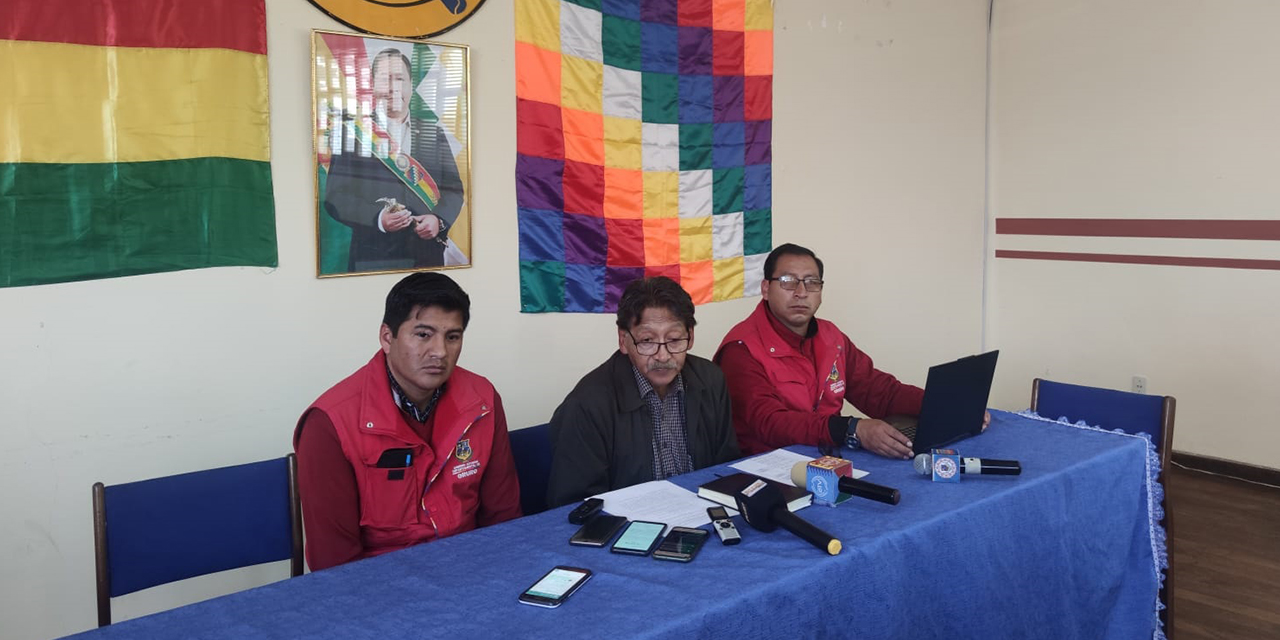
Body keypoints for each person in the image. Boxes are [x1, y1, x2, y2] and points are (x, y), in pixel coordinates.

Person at [294, 273, 520, 570]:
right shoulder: (329, 424)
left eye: (452, 337)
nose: (440, 352)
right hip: (381, 584)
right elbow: (334, 564)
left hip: (470, 570)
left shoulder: (483, 401)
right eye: (423, 334)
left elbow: (503, 518)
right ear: (387, 337)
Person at [715, 243, 990, 460]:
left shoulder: (831, 337)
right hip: (767, 468)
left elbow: (879, 391)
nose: (801, 292)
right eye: (788, 281)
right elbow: (770, 423)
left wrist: (946, 405)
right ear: (766, 289)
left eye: (812, 282)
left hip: (829, 456)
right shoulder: (741, 349)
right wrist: (852, 429)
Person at [545, 277, 740, 507]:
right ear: (623, 340)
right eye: (647, 340)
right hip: (628, 531)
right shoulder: (587, 404)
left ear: (691, 336)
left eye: (675, 339)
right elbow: (574, 506)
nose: (663, 356)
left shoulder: (710, 380)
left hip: (702, 517)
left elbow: (726, 470)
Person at [323, 48, 465, 273]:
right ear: (372, 85)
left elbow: (454, 190)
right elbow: (336, 198)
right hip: (373, 257)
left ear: (411, 85)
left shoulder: (433, 135)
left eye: (400, 79)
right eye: (384, 79)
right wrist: (377, 218)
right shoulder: (353, 133)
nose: (393, 87)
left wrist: (438, 220)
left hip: (427, 256)